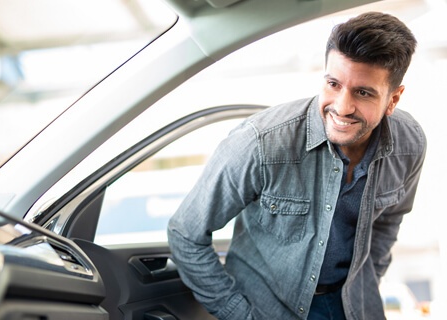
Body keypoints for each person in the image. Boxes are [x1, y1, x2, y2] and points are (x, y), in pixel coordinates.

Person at [167, 11, 426, 320]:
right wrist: (239, 314)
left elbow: (388, 223)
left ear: (393, 99)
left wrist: (366, 283)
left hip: (356, 308)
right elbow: (185, 233)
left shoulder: (409, 144)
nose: (341, 106)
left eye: (363, 92)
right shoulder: (262, 143)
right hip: (269, 310)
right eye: (333, 83)